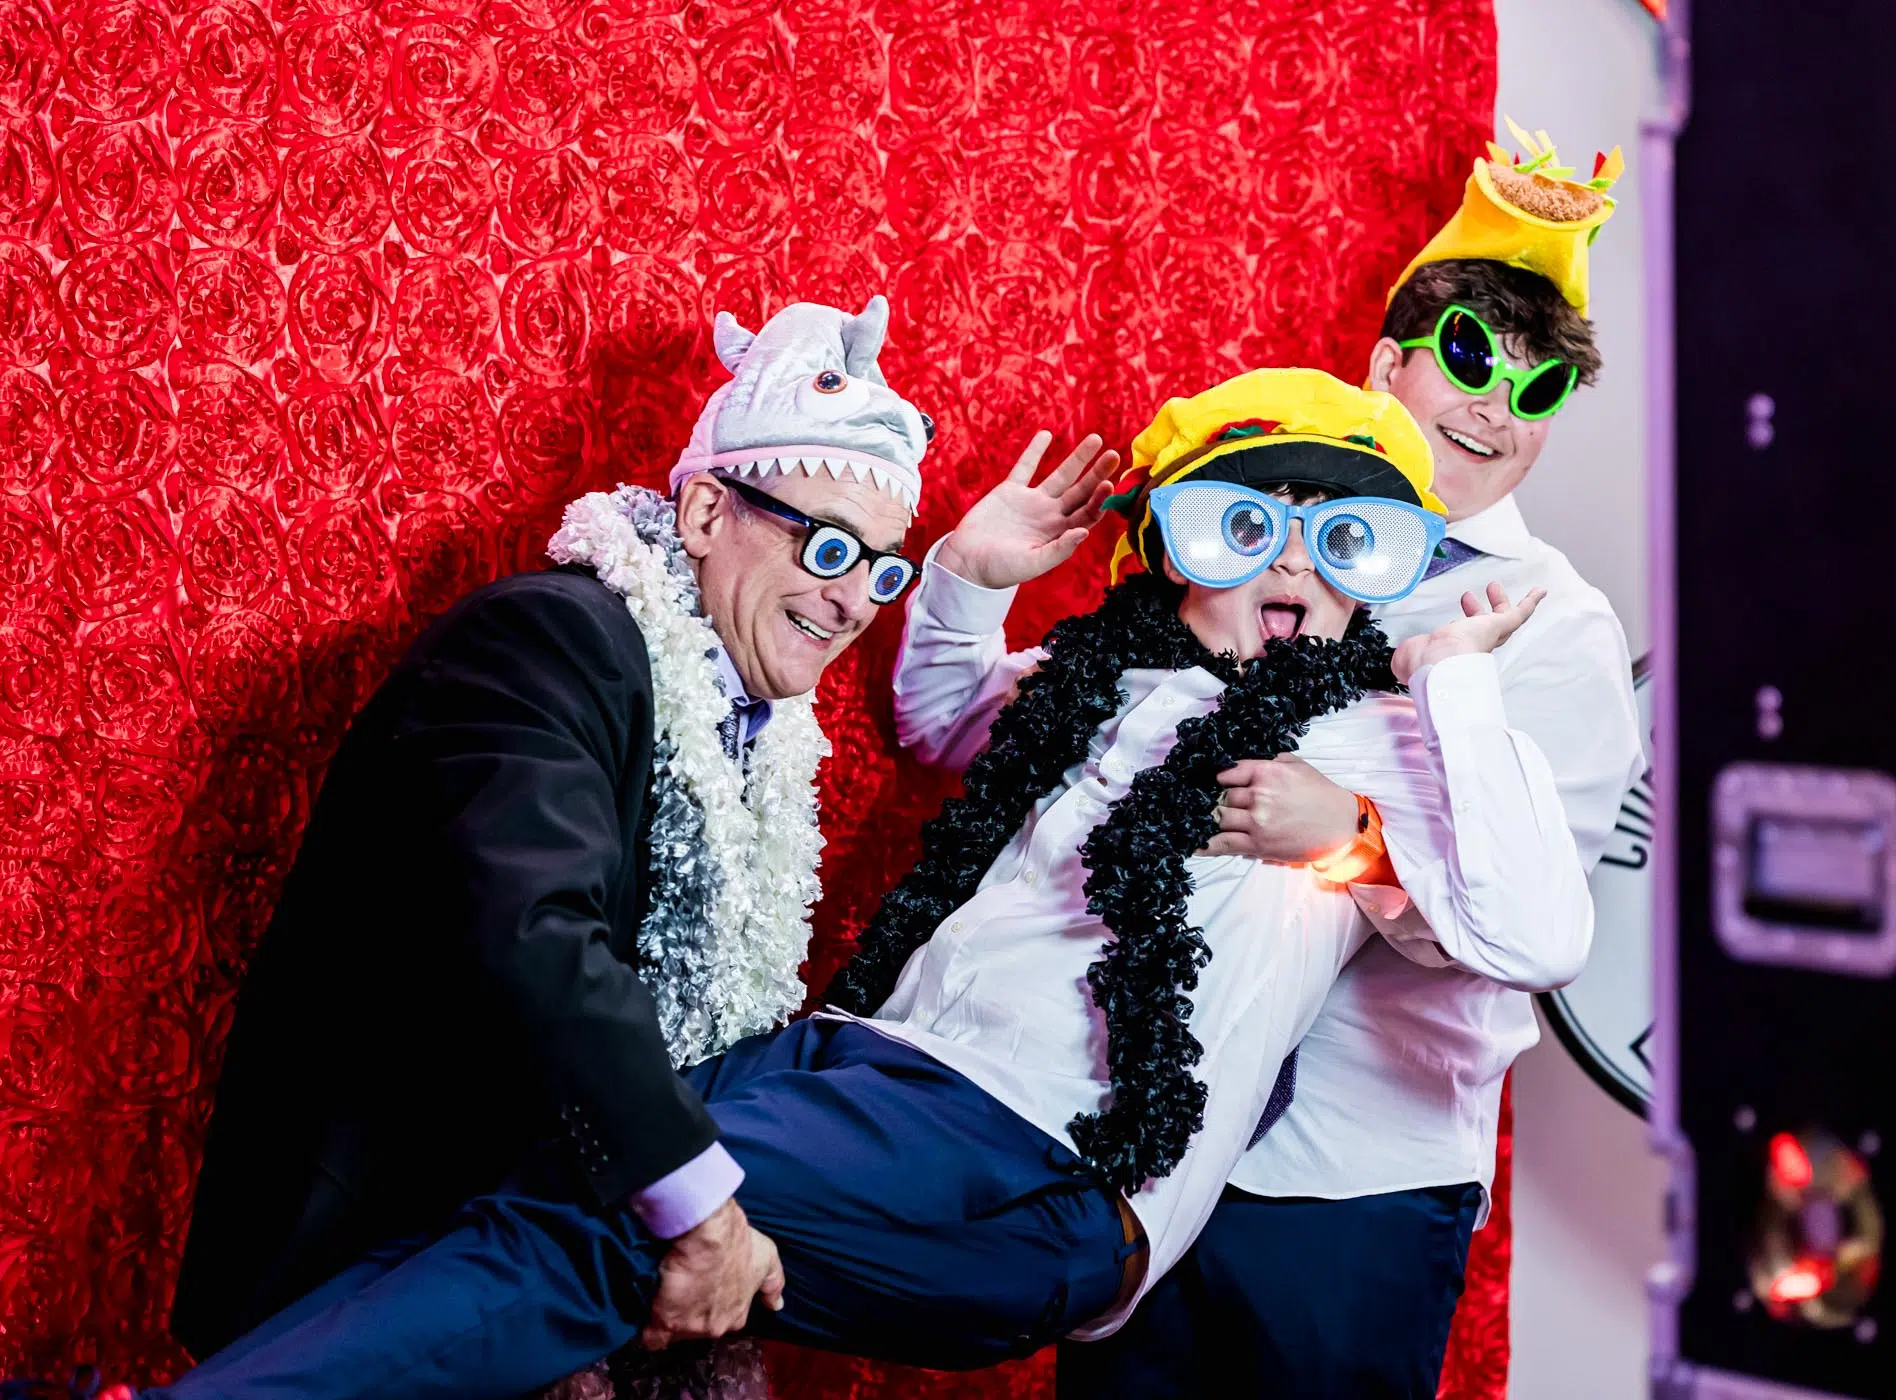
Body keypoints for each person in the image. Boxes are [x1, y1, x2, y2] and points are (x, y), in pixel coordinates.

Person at [102, 367, 1589, 1400]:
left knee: (615, 1211)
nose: (1298, 572)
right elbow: (941, 716)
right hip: (856, 1064)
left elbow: (1540, 930)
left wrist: (1434, 712)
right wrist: (967, 567)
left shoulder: (1384, 732)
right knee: (562, 1154)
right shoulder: (1095, 678)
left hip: (1040, 1166)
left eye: (1347, 544)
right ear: (1169, 550)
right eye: (1249, 524)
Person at [162, 296, 930, 1379]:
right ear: (708, 511)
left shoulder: (758, 734)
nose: (856, 599)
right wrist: (703, 1209)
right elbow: (533, 929)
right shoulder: (550, 638)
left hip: (573, 1277)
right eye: (832, 545)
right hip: (394, 1267)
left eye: (884, 569)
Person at [1012, 123, 1643, 1399]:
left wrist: (1350, 840)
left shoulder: (1554, 627)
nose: (1491, 405)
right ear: (1388, 363)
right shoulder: (1254, 538)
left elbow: (1527, 922)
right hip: (1149, 1138)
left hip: (1353, 1173)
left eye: (1536, 390)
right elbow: (1046, 739)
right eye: (1471, 356)